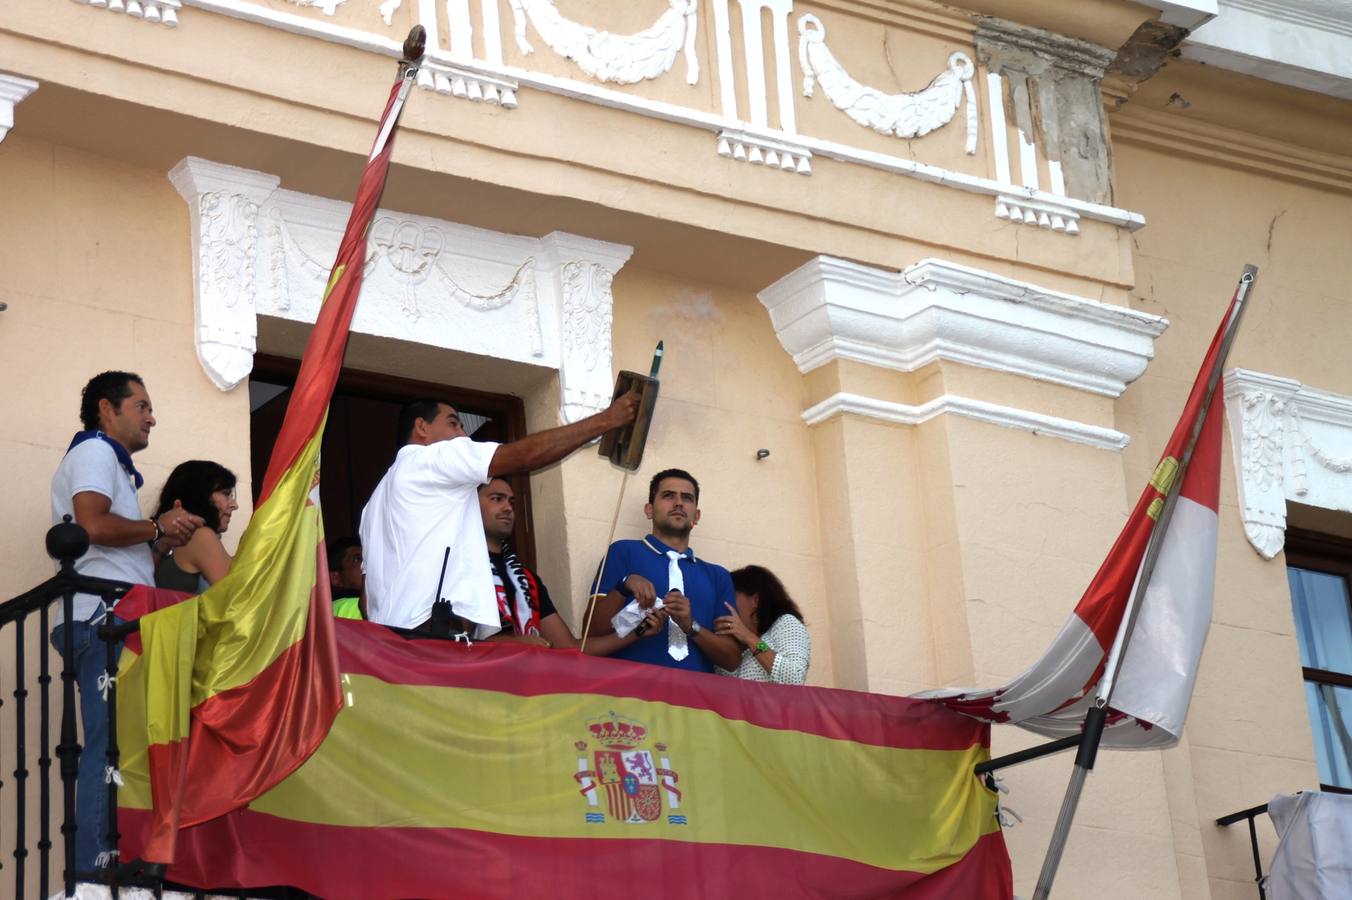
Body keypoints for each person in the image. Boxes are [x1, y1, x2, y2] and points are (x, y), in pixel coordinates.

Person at [50, 371, 203, 872]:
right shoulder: (94, 451)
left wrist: (158, 540)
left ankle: (114, 853)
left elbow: (108, 540)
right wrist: (157, 526)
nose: (151, 417)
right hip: (101, 618)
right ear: (106, 409)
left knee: (120, 741)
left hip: (110, 614)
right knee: (108, 741)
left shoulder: (106, 460)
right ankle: (97, 863)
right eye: (141, 406)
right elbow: (91, 526)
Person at [360, 392, 640, 636]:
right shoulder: (432, 458)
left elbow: (365, 598)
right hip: (434, 635)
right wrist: (606, 420)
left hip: (390, 644)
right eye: (454, 423)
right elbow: (523, 456)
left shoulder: (373, 505)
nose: (463, 436)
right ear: (421, 427)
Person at [585, 469, 742, 673]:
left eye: (687, 498)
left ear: (697, 515)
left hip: (694, 699)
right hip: (627, 692)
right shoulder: (623, 552)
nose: (678, 503)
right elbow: (589, 634)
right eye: (668, 496)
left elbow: (732, 659)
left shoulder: (718, 576)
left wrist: (691, 626)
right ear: (649, 510)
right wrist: (623, 587)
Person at [478, 477, 654, 654]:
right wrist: (515, 644)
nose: (508, 508)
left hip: (526, 679)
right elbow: (454, 642)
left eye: (511, 501)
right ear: (470, 505)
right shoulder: (457, 569)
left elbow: (570, 648)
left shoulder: (527, 579)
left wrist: (637, 633)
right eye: (497, 499)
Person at [713, 565, 811, 684]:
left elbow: (795, 678)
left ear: (755, 600)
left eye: (732, 598)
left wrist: (749, 638)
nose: (727, 604)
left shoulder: (785, 623)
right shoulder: (734, 642)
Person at [152, 460, 239, 594]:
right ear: (200, 495)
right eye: (226, 494)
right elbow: (239, 598)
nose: (234, 505)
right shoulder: (199, 536)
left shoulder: (168, 539)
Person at [326, 536, 364, 620]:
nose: (365, 565)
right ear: (335, 578)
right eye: (357, 559)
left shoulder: (324, 610)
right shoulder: (344, 607)